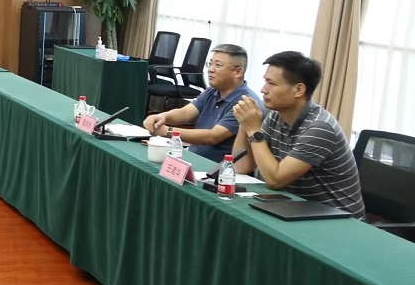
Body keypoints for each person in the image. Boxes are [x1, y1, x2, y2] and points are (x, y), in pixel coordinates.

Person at [231, 51, 365, 218]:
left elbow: (275, 180)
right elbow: (241, 166)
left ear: (298, 90)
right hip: (295, 209)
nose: (263, 89)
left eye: (271, 83)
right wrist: (245, 123)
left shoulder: (320, 128)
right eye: (265, 81)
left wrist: (253, 129)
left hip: (337, 219)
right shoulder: (275, 117)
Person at [142, 44, 262, 162]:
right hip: (192, 157)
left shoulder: (245, 103)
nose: (210, 69)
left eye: (218, 65)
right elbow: (185, 113)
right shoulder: (213, 90)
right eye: (210, 64)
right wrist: (162, 116)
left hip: (216, 168)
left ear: (238, 72)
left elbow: (213, 136)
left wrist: (167, 131)